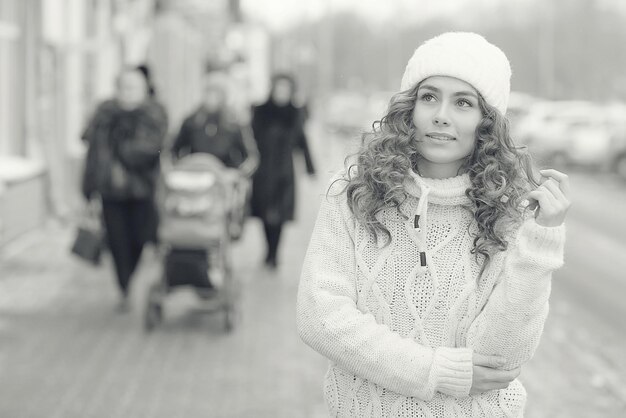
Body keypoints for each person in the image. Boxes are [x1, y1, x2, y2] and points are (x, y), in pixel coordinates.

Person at [297, 32, 570, 417]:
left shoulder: (511, 214)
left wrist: (542, 240)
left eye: (463, 102)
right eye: (429, 96)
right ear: (409, 109)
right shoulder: (352, 195)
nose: (441, 114)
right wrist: (437, 372)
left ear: (486, 122)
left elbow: (499, 359)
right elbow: (320, 317)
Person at [82, 67, 168, 312]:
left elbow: (154, 149)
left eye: (134, 88)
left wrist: (124, 148)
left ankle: (129, 277)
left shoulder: (154, 114)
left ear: (143, 90)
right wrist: (88, 189)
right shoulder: (104, 115)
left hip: (142, 190)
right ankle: (124, 285)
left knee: (140, 238)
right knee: (117, 241)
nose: (128, 93)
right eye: (124, 87)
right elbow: (92, 153)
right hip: (111, 191)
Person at [251, 73, 316, 269]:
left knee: (279, 215)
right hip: (263, 170)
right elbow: (250, 139)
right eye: (279, 89)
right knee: (264, 213)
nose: (282, 93)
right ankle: (268, 250)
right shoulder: (261, 111)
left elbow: (302, 141)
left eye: (285, 89)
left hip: (284, 171)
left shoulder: (294, 113)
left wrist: (310, 167)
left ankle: (274, 254)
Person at [171, 69, 258, 177]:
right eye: (209, 92)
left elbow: (251, 157)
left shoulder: (234, 124)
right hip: (196, 177)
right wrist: (180, 169)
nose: (212, 97)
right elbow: (173, 150)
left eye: (216, 93)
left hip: (224, 180)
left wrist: (238, 174)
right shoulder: (192, 122)